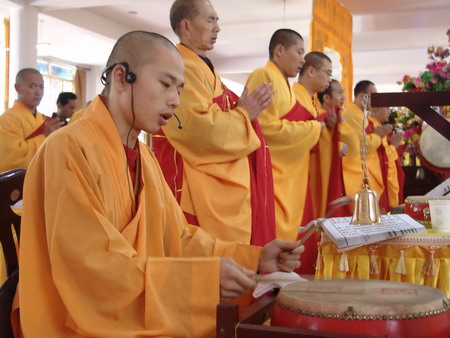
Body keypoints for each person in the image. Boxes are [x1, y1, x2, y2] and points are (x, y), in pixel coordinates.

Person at [12, 31, 304, 337]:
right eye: (166, 85)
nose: (176, 100)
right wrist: (200, 280)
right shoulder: (68, 148)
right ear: (122, 77)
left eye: (179, 89)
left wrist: (255, 257)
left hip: (126, 306)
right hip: (76, 318)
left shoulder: (145, 158)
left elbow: (178, 237)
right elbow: (89, 268)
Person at [153, 0, 276, 246]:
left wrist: (243, 111)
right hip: (195, 190)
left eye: (217, 20)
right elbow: (198, 130)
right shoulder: (182, 68)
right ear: (186, 26)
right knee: (203, 262)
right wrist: (244, 114)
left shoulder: (203, 67)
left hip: (217, 186)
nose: (217, 27)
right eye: (210, 20)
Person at [245, 29, 322, 274]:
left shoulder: (283, 83)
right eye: (299, 52)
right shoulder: (264, 75)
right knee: (273, 234)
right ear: (279, 50)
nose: (302, 59)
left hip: (289, 174)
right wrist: (312, 129)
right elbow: (263, 128)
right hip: (272, 174)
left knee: (287, 237)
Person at [293, 52, 340, 221]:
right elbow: (294, 133)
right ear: (311, 71)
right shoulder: (295, 97)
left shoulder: (310, 100)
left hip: (309, 171)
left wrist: (328, 126)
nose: (329, 80)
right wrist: (320, 124)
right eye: (328, 73)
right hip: (296, 173)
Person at [0, 68, 63, 172]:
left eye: (41, 87)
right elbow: (11, 158)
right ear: (18, 88)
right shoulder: (8, 119)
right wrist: (44, 136)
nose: (38, 92)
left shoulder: (44, 119)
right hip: (21, 184)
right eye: (32, 86)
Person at [342, 80, 392, 203]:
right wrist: (378, 136)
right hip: (356, 172)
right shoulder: (351, 114)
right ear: (361, 96)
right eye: (372, 96)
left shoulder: (360, 115)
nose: (375, 100)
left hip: (367, 170)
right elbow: (361, 146)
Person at [317, 79, 355, 216]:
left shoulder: (336, 117)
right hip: (331, 178)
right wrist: (336, 147)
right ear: (326, 98)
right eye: (339, 93)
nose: (344, 97)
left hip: (346, 178)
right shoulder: (321, 117)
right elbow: (316, 143)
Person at [367, 107, 404, 211]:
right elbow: (380, 158)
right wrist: (393, 146)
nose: (389, 112)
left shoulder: (377, 126)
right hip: (376, 176)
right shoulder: (372, 126)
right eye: (386, 108)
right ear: (376, 109)